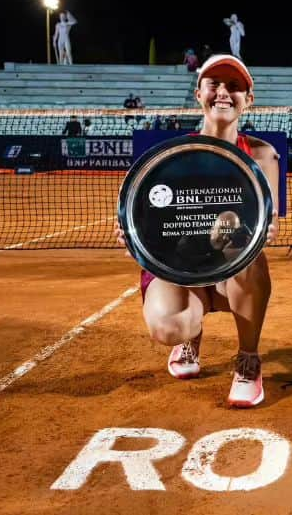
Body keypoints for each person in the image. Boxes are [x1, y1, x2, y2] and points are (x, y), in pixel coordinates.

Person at [115, 54, 280, 408]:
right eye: (214, 84)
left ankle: (248, 360)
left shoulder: (263, 156)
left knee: (249, 249)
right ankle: (190, 337)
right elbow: (149, 221)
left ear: (248, 99)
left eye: (234, 86)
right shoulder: (172, 156)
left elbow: (270, 224)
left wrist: (243, 232)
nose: (223, 92)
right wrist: (136, 237)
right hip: (182, 269)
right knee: (168, 327)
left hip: (233, 271)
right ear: (199, 93)